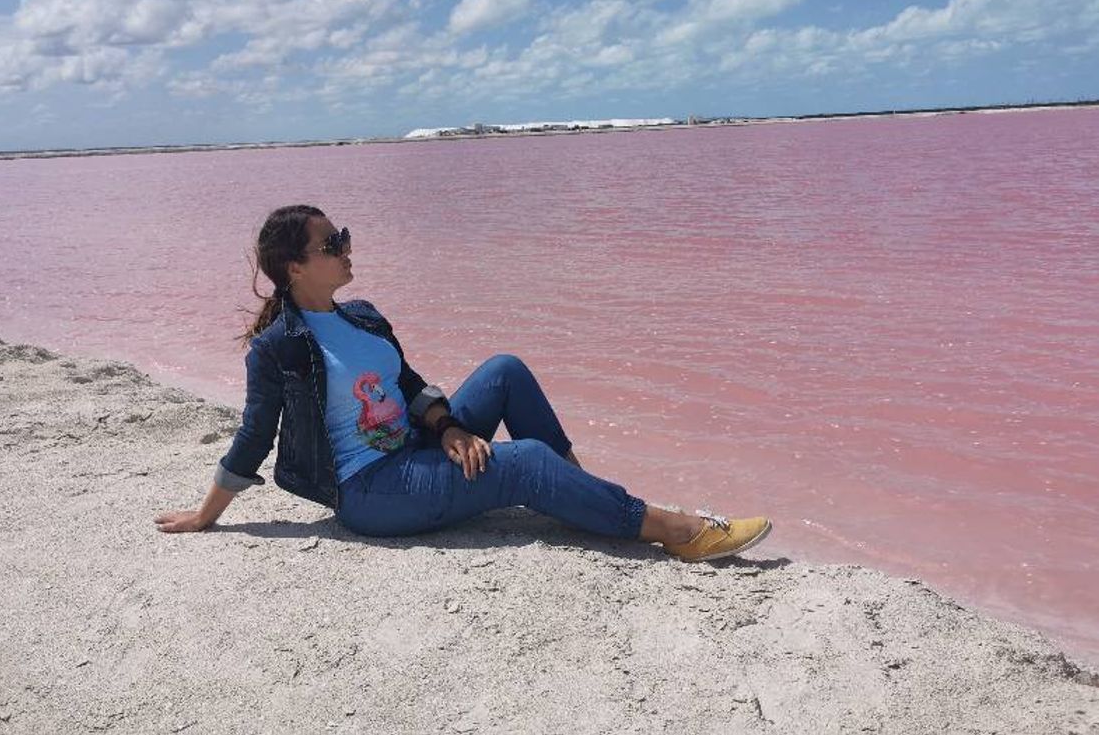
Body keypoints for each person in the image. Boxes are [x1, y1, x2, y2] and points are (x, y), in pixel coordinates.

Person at [154, 205, 771, 561]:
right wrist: (207, 515)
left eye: (343, 237)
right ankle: (678, 531)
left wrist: (447, 427)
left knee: (504, 369)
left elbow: (413, 385)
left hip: (420, 451)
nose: (347, 247)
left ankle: (583, 494)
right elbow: (255, 434)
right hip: (373, 492)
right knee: (525, 460)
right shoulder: (281, 347)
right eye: (332, 242)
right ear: (296, 266)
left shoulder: (362, 316)